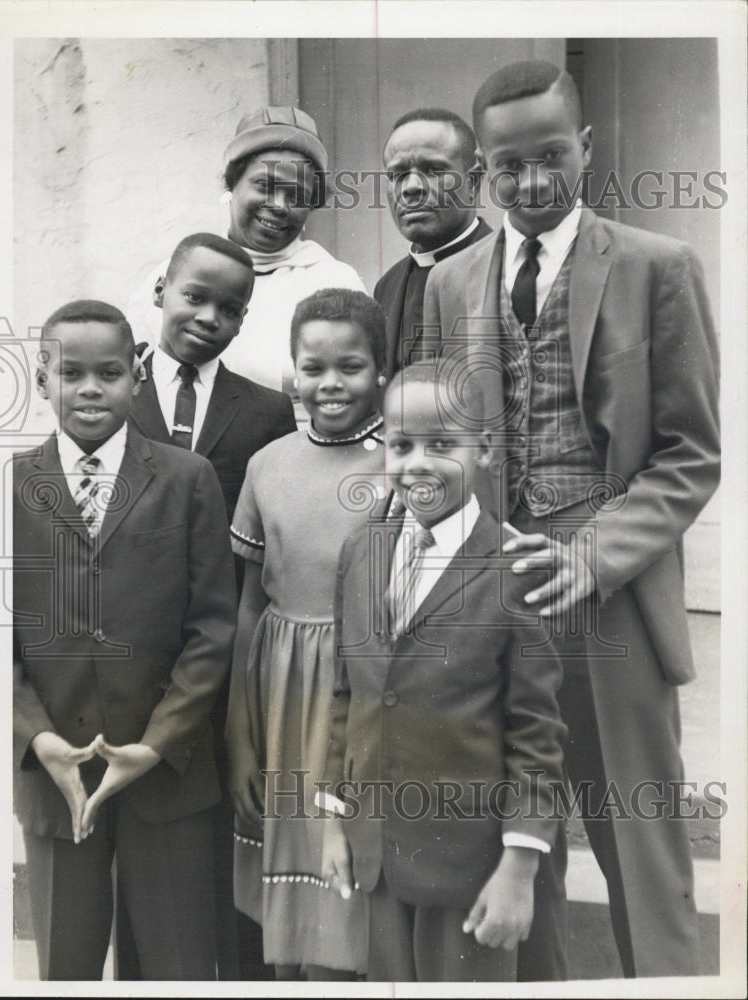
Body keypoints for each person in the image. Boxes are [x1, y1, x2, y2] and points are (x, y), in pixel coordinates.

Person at [424, 59, 720, 979]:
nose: (533, 182)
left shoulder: (656, 266)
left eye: (553, 156)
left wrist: (597, 556)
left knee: (638, 833)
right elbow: (451, 440)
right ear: (483, 172)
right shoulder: (450, 285)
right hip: (494, 597)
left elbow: (690, 452)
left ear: (585, 148)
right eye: (509, 166)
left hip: (613, 600)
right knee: (516, 838)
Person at [320, 362, 566, 983]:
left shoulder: (515, 571)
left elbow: (536, 733)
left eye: (442, 445)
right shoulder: (361, 552)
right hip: (377, 853)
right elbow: (346, 694)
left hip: (471, 870)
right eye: (401, 445)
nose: (417, 463)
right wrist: (333, 822)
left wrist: (520, 866)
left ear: (484, 449)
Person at [13, 300, 237, 979]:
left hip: (168, 771)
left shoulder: (186, 478)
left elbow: (212, 629)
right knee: (66, 964)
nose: (89, 389)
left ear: (137, 376)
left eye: (109, 372)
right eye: (69, 373)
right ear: (42, 379)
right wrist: (36, 737)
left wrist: (158, 741)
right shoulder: (8, 484)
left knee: (179, 965)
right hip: (57, 771)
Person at [122, 232, 296, 980]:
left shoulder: (265, 411)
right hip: (128, 658)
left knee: (232, 835)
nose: (209, 317)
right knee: (147, 847)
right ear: (161, 289)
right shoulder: (112, 391)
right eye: (196, 296)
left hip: (221, 658)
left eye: (231, 309)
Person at [225, 288, 387, 980]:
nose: (330, 384)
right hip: (279, 687)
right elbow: (247, 606)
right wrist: (239, 729)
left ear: (382, 369)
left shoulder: (400, 465)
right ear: (292, 371)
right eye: (312, 367)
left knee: (347, 873)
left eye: (350, 366)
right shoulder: (268, 464)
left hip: (360, 689)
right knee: (284, 887)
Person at [126, 107, 365, 418]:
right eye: (265, 186)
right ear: (232, 184)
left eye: (297, 195)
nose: (279, 206)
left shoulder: (335, 284)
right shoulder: (175, 273)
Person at [374, 108, 491, 380]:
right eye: (397, 174)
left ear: (473, 182)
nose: (411, 187)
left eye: (433, 170)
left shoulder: (507, 269)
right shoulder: (386, 287)